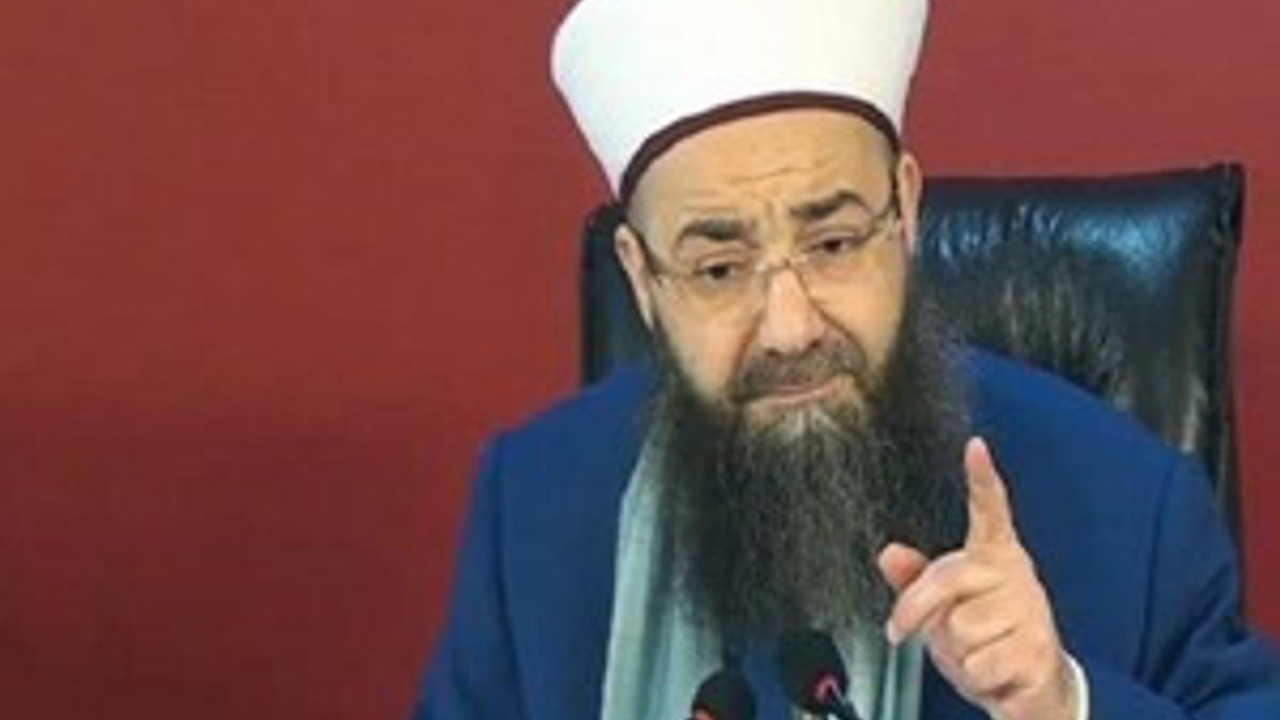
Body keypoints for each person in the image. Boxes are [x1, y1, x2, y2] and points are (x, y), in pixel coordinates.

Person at [416, 0, 1280, 718]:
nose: (790, 329)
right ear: (642, 279)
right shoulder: (535, 504)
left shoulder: (1130, 504)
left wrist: (1062, 702)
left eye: (831, 244)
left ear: (904, 210)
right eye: (719, 269)